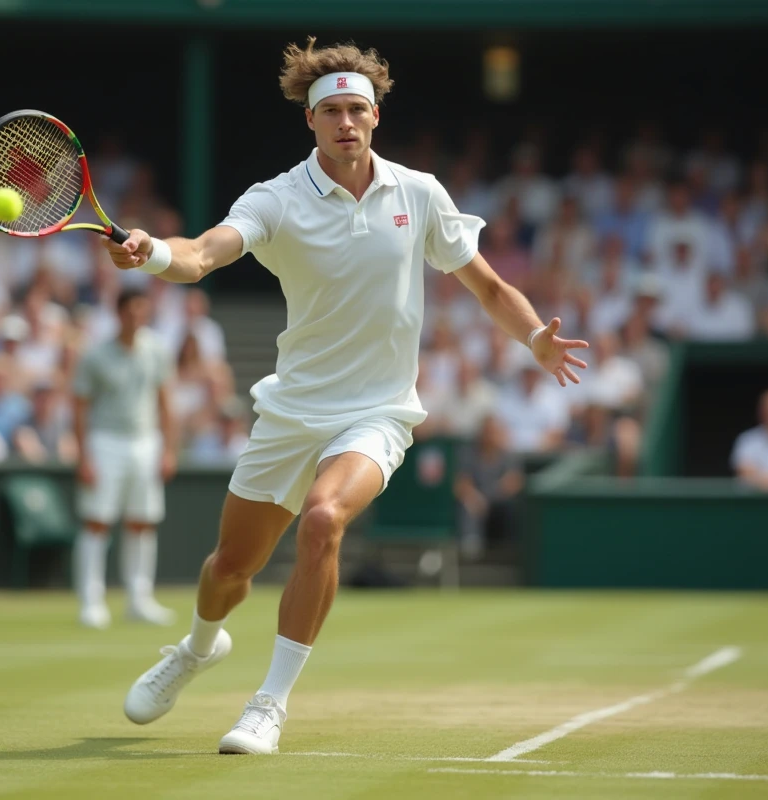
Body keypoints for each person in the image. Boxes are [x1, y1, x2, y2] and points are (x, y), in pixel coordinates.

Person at [101, 38, 588, 756]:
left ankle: (268, 704)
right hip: (292, 410)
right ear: (310, 120)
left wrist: (534, 338)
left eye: (357, 109)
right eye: (331, 111)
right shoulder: (275, 198)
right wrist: (155, 253)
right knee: (228, 569)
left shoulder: (419, 193)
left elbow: (487, 286)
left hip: (377, 412)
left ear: (376, 115)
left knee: (325, 518)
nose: (346, 122)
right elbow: (203, 254)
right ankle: (198, 647)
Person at [71, 288, 179, 630]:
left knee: (142, 521)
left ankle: (139, 600)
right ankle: (91, 602)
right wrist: (84, 457)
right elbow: (79, 408)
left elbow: (165, 402)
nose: (136, 318)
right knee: (97, 521)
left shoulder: (157, 350)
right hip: (104, 442)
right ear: (118, 313)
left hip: (146, 442)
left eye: (141, 311)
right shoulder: (95, 355)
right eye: (130, 311)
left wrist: (168, 449)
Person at [454, 415, 523, 561]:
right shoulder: (469, 453)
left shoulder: (508, 456)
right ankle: (470, 549)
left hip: (499, 501)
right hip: (476, 500)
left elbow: (513, 483)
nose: (490, 436)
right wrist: (475, 498)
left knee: (511, 508)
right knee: (468, 505)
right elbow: (462, 483)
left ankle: (508, 550)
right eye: (487, 432)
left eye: (493, 432)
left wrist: (489, 498)